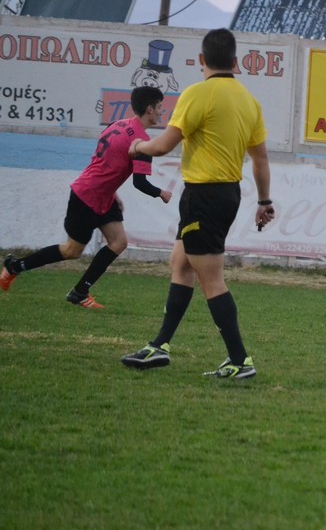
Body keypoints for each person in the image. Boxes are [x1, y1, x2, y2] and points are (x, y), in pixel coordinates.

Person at [120, 28, 274, 380]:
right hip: (226, 194)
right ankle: (159, 345)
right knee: (181, 264)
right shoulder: (248, 101)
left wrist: (137, 146)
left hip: (204, 195)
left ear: (202, 59)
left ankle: (240, 360)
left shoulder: (196, 94)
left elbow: (162, 146)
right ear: (235, 62)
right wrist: (264, 200)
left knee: (211, 280)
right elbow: (260, 158)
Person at [0, 86, 172, 307]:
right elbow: (140, 183)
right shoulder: (142, 142)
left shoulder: (117, 124)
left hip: (103, 196)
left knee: (118, 242)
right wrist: (161, 193)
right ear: (149, 109)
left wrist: (112, 192)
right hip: (87, 197)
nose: (161, 112)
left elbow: (104, 162)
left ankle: (80, 292)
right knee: (72, 250)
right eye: (159, 107)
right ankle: (15, 266)